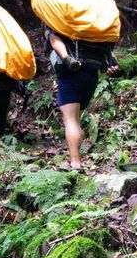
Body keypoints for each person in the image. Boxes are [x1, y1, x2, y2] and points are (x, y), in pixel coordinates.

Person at [46, 28, 118, 171]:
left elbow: (54, 38)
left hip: (72, 70)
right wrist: (110, 62)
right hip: (92, 72)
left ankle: (76, 164)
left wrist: (65, 58)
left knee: (71, 119)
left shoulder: (62, 18)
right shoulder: (89, 20)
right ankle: (77, 159)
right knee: (76, 118)